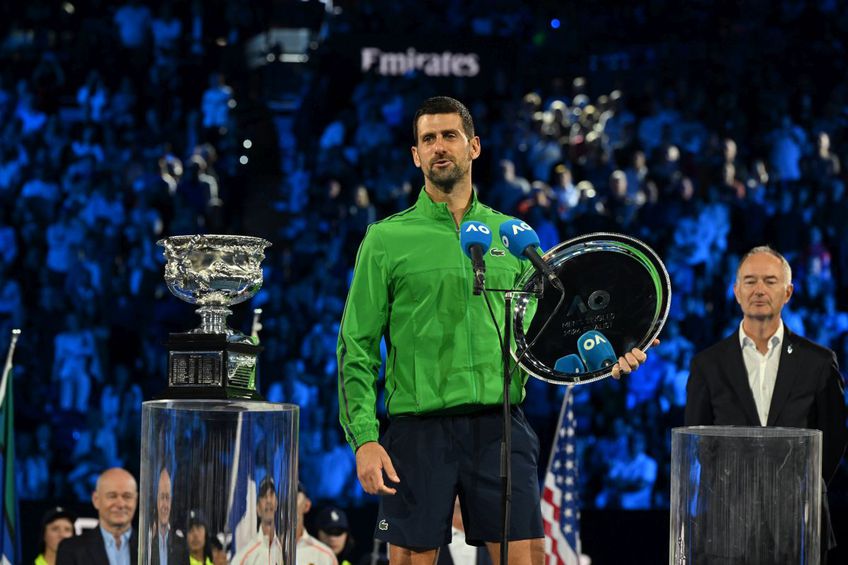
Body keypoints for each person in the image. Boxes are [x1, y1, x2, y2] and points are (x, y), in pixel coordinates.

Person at [337, 96, 651, 565]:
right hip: (418, 431)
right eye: (428, 139)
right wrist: (364, 437)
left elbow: (549, 336)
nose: (439, 147)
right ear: (416, 155)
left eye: (450, 136)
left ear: (474, 147)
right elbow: (357, 346)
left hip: (500, 425)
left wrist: (608, 356)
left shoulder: (514, 236)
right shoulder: (386, 240)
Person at [685, 245, 848, 563]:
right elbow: (699, 444)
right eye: (750, 281)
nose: (759, 289)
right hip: (728, 526)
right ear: (736, 291)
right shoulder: (708, 363)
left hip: (797, 524)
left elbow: (834, 440)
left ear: (788, 292)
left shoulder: (818, 362)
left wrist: (796, 489)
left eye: (770, 281)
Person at [56, 467, 139, 565]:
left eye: (127, 496)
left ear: (136, 500)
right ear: (96, 500)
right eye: (112, 496)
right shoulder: (70, 549)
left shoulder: (151, 548)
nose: (120, 504)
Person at [231, 477, 284, 565]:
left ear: (276, 504)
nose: (268, 501)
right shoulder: (247, 554)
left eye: (271, 495)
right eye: (264, 496)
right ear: (258, 509)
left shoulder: (281, 550)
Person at [149, 467, 187, 565]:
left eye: (168, 498)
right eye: (162, 497)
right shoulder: (146, 543)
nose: (165, 505)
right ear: (154, 501)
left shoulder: (182, 546)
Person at [296, 483, 337, 565]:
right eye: (284, 497)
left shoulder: (325, 556)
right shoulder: (264, 549)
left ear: (307, 505)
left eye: (294, 496)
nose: (289, 503)